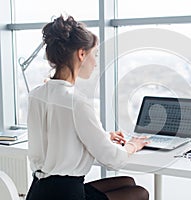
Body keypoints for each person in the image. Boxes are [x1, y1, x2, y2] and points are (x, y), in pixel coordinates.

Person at [26, 15, 149, 200]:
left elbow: (59, 136)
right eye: (95, 54)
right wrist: (132, 145)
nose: (95, 62)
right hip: (67, 196)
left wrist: (104, 136)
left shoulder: (36, 94)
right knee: (140, 193)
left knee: (128, 182)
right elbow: (112, 159)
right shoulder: (77, 102)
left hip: (39, 191)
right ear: (81, 54)